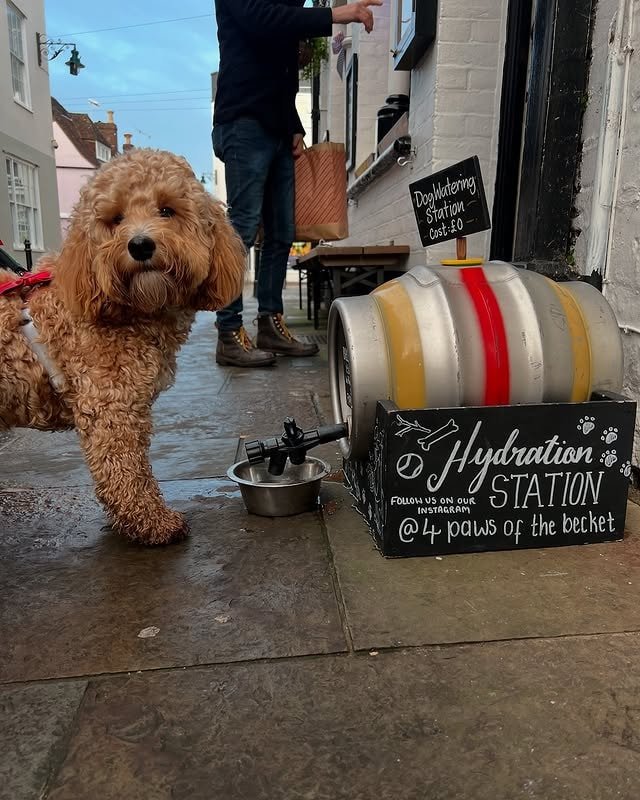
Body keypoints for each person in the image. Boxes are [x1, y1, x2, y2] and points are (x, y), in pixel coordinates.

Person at [212, 0, 383, 367]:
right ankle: (228, 334)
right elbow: (264, 21)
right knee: (241, 230)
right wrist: (336, 13)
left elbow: (280, 66)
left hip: (275, 126)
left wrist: (292, 125)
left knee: (282, 233)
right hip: (243, 122)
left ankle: (270, 324)